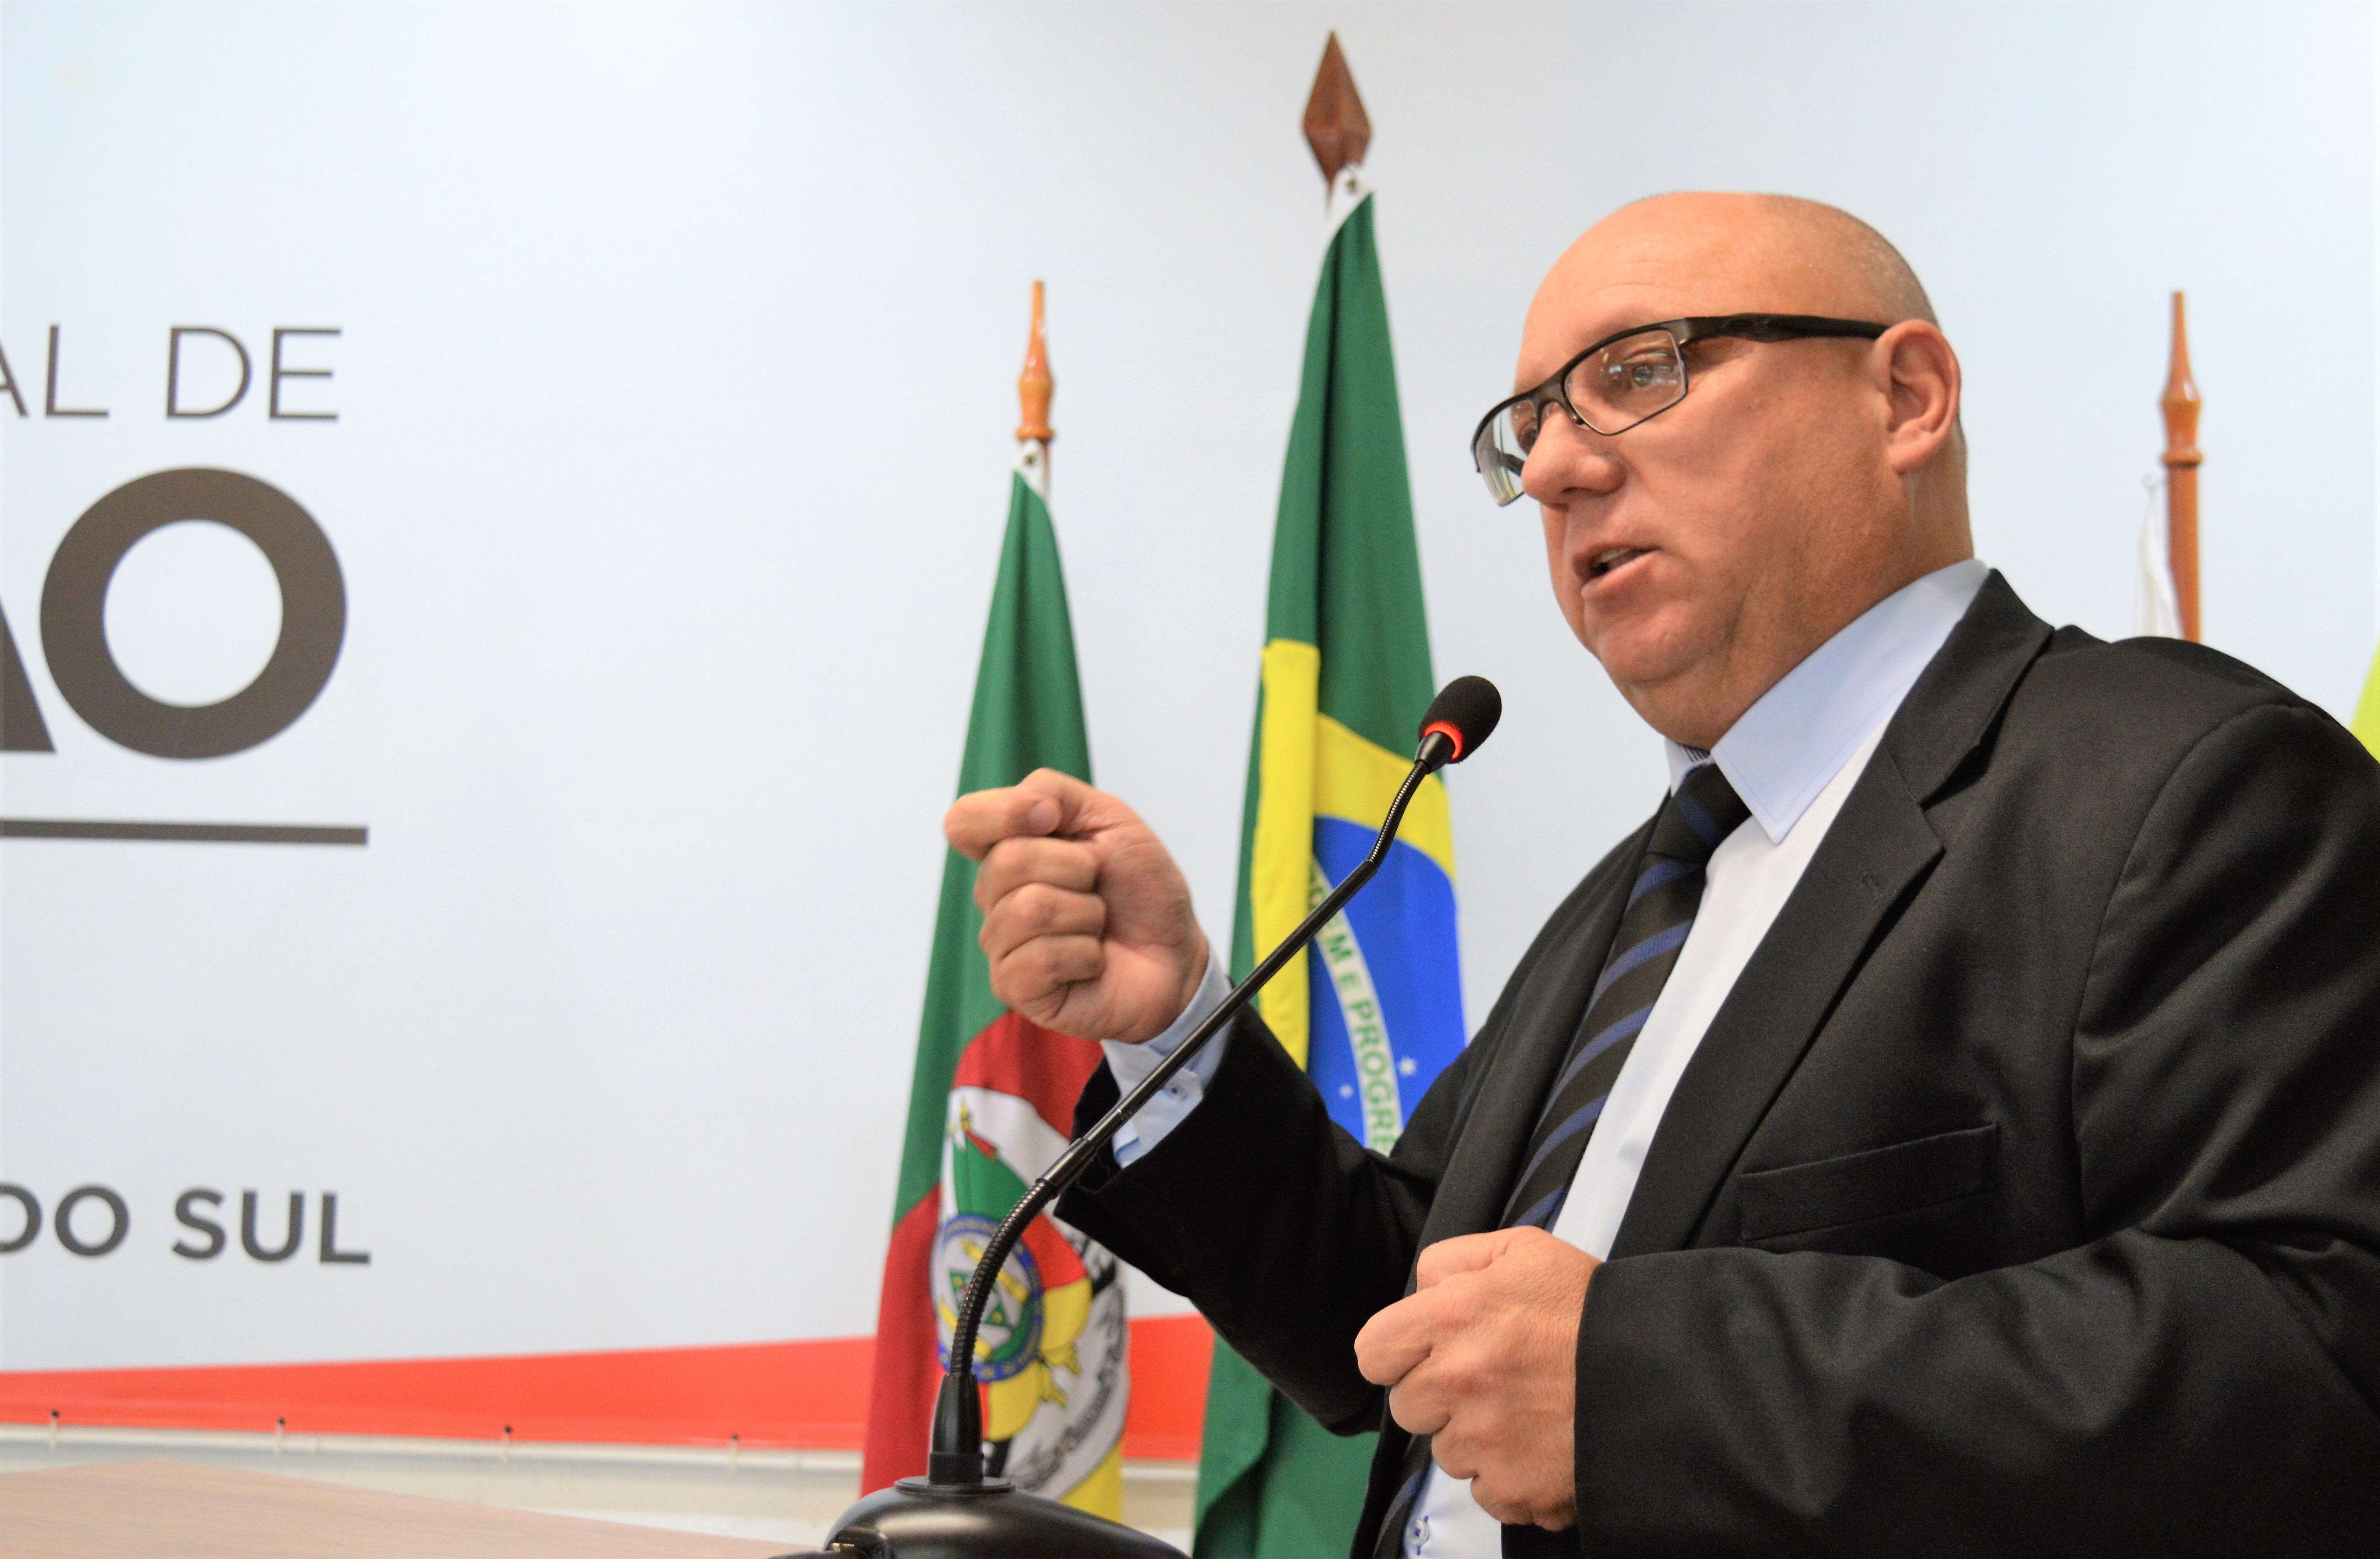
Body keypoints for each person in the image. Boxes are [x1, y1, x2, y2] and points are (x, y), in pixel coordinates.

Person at [941, 193, 2380, 1556]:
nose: (1553, 469)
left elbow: (2315, 1357)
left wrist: (1639, 1389)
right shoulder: (1637, 898)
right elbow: (1411, 1313)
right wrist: (1175, 1023)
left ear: (1905, 398)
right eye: (1528, 428)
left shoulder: (2184, 785)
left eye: (1637, 373)